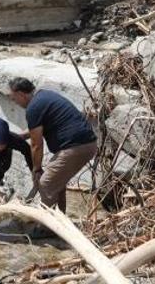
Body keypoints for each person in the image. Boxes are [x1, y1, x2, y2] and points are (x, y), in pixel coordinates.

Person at [9, 77, 97, 214]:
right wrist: (19, 137)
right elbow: (37, 129)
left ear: (21, 94)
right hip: (86, 144)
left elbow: (36, 144)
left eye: (14, 98)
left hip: (75, 147)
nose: (14, 102)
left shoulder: (33, 108)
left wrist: (36, 169)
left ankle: (46, 227)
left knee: (46, 183)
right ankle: (59, 218)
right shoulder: (43, 96)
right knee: (57, 183)